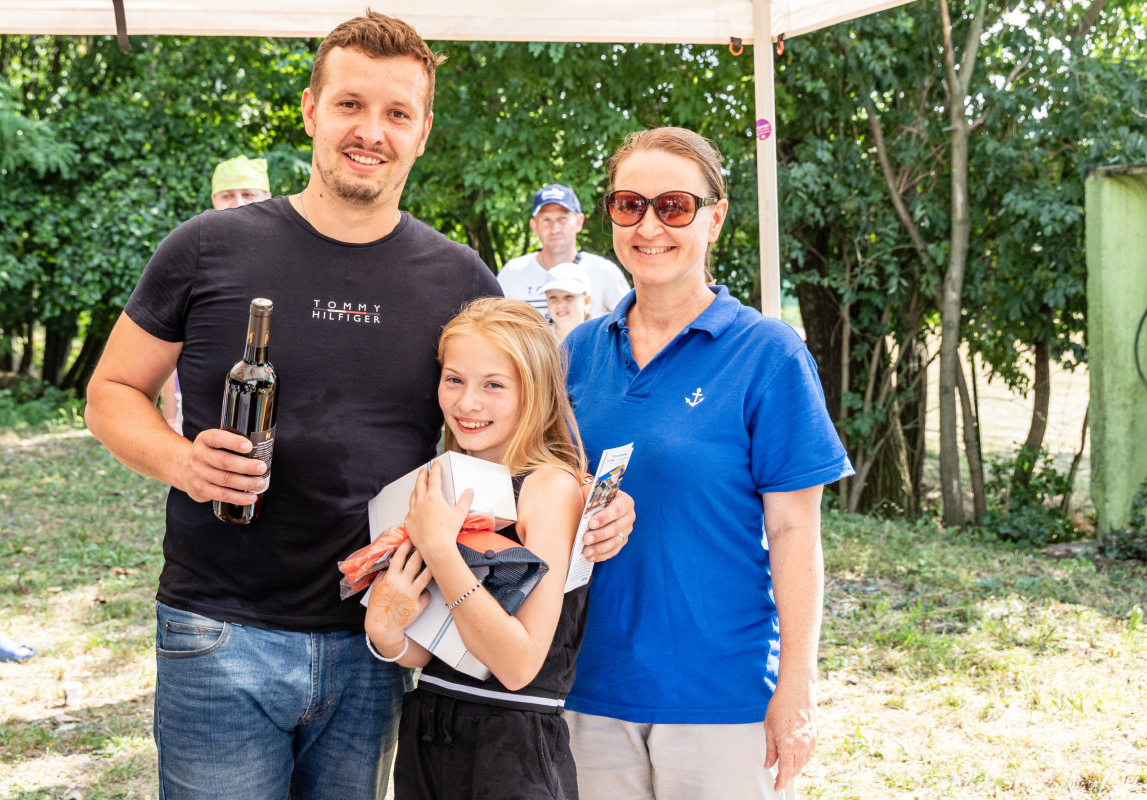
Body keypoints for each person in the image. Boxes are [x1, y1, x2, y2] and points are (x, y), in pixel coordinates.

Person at [84, 12, 631, 800]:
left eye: (397, 112)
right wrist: (182, 461)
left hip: (383, 636)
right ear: (311, 109)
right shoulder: (207, 246)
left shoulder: (459, 278)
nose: (371, 131)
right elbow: (110, 393)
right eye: (350, 104)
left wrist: (602, 508)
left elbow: (531, 426)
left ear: (423, 131)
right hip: (220, 631)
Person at [561, 127, 855, 800]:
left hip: (720, 694)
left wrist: (798, 688)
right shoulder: (577, 352)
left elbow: (795, 533)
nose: (649, 226)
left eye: (674, 206)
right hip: (587, 685)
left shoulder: (768, 355)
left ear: (715, 217)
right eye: (629, 205)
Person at [366, 297, 587, 799]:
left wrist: (441, 551)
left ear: (534, 391)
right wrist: (387, 632)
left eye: (493, 385)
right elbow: (436, 650)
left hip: (513, 744)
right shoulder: (445, 478)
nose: (467, 403)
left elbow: (517, 665)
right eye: (454, 380)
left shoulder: (549, 487)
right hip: (429, 728)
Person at [161, 155, 273, 432]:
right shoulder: (193, 256)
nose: (238, 203)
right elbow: (168, 351)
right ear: (214, 200)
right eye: (227, 195)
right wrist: (171, 420)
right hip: (197, 420)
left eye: (248, 194)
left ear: (268, 198)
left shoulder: (282, 258)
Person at [496, 184, 630, 319]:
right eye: (546, 219)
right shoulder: (512, 273)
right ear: (534, 226)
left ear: (579, 222)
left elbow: (631, 320)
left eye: (563, 218)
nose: (555, 229)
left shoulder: (602, 271)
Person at [540, 262, 591, 343]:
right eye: (553, 297)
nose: (560, 304)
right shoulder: (539, 342)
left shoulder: (600, 339)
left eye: (568, 296)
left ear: (586, 301)